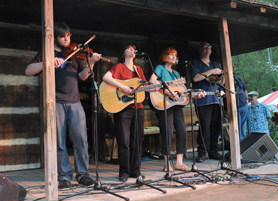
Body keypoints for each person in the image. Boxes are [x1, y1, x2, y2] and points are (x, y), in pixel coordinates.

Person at [25, 22, 102, 189]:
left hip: (75, 102)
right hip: (56, 103)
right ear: (55, 37)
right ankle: (64, 176)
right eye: (63, 36)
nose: (67, 39)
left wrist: (92, 61)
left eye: (68, 36)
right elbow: (29, 70)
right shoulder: (47, 53)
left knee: (81, 140)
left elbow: (82, 76)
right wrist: (48, 62)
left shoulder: (75, 54)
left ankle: (83, 174)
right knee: (59, 141)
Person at [102, 44, 146, 182]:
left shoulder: (138, 70)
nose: (133, 50)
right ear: (124, 52)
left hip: (138, 107)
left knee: (137, 140)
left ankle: (135, 170)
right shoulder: (119, 67)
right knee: (124, 140)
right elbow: (106, 77)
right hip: (122, 108)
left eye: (134, 48)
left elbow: (144, 86)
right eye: (129, 48)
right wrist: (124, 87)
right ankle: (124, 172)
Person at [149, 47, 191, 172]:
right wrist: (167, 91)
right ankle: (167, 163)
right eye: (171, 54)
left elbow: (180, 93)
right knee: (167, 131)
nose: (174, 57)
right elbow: (152, 81)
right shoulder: (160, 68)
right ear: (165, 56)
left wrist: (192, 94)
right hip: (164, 103)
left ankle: (179, 162)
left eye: (175, 55)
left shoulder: (176, 74)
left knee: (182, 130)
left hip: (176, 105)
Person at [189, 41, 223, 163]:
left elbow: (220, 81)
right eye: (204, 47)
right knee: (205, 126)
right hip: (203, 100)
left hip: (216, 99)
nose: (207, 49)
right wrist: (212, 71)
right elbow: (196, 78)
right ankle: (202, 152)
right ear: (200, 50)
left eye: (209, 47)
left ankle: (213, 151)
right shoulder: (195, 63)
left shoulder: (215, 64)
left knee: (216, 126)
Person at [234, 76, 248, 141]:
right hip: (235, 107)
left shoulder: (238, 79)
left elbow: (245, 89)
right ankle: (239, 141)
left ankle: (243, 139)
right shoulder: (226, 80)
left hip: (244, 104)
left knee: (243, 123)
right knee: (238, 124)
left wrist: (246, 99)